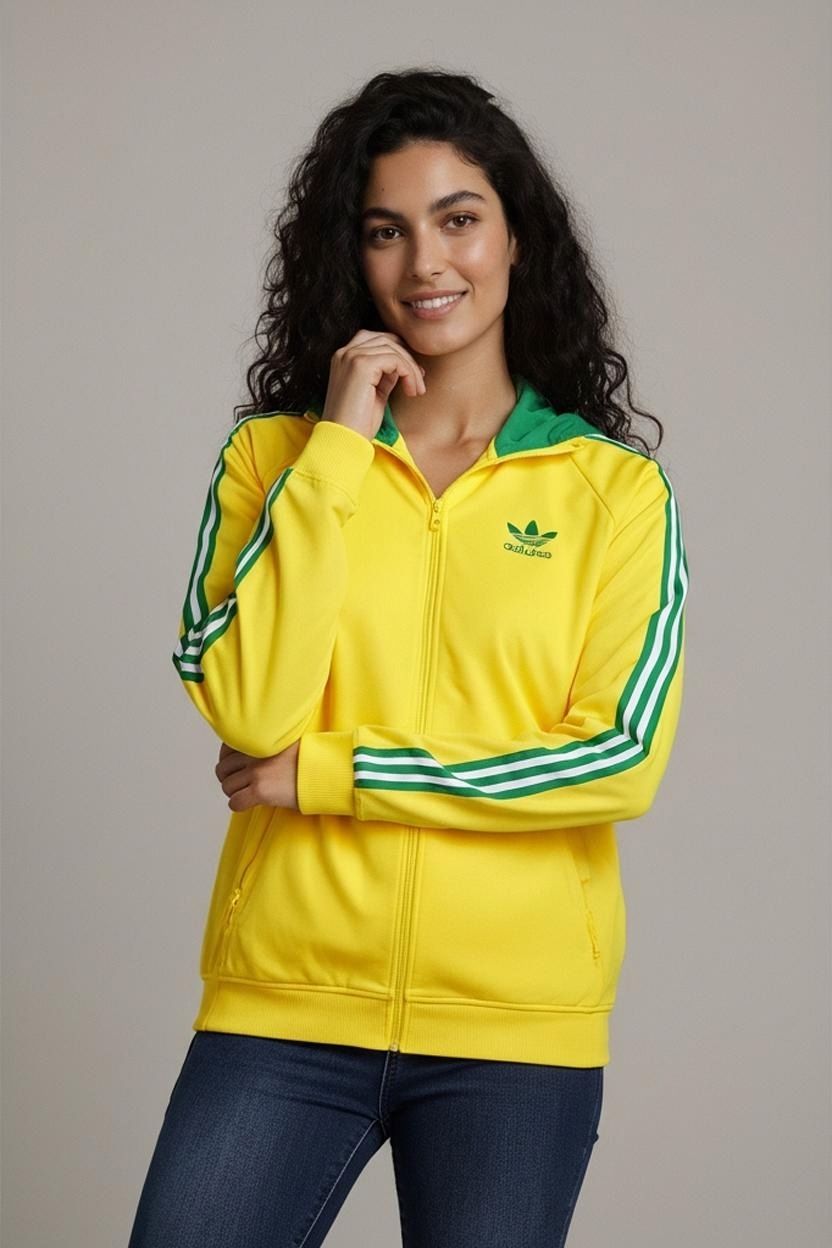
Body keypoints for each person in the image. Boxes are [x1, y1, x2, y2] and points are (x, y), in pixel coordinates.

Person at [128, 67, 689, 1248]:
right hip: (282, 1010)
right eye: (386, 230)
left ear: (517, 236)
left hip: (513, 1033)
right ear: (353, 255)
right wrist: (338, 447)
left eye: (458, 218)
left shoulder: (612, 493)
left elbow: (616, 758)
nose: (426, 262)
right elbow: (247, 703)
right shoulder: (273, 460)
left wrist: (330, 773)